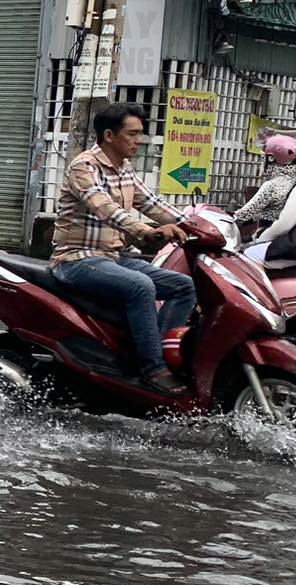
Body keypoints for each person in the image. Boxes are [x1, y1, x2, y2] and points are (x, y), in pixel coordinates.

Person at [52, 100, 197, 395]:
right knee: (141, 285)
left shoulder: (125, 169)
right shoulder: (84, 167)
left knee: (184, 286)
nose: (139, 141)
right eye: (132, 134)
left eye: (140, 133)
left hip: (112, 258)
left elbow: (152, 203)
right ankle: (152, 369)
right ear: (109, 136)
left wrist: (198, 224)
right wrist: (149, 232)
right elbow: (106, 209)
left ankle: (154, 353)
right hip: (76, 260)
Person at [234, 134, 296, 234]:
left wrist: (226, 218)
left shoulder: (272, 186)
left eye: (263, 158)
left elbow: (245, 214)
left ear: (271, 159)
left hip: (269, 237)